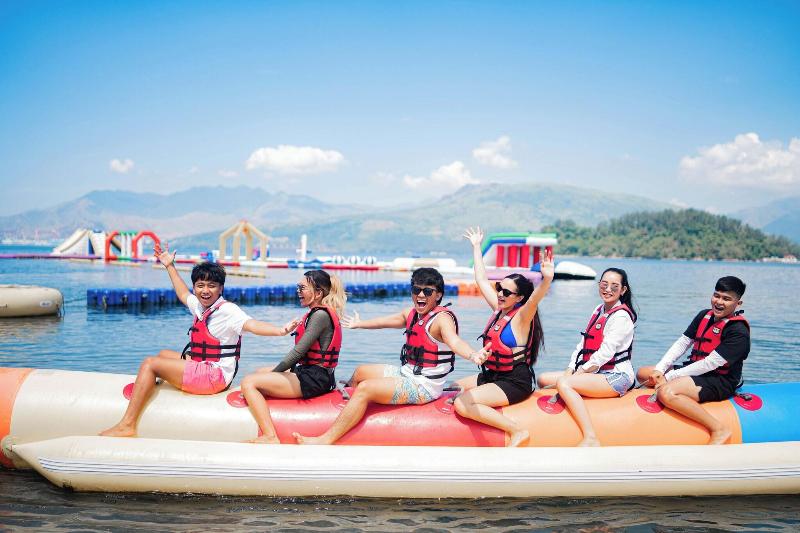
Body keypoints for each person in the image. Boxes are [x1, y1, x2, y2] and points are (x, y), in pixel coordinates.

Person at [100, 243, 297, 438]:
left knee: (151, 364)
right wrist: (169, 265)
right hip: (203, 365)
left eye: (211, 286)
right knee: (163, 355)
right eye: (200, 285)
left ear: (221, 288)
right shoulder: (200, 306)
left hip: (215, 376)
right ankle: (148, 387)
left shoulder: (228, 311)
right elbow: (183, 293)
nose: (205, 290)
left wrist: (280, 331)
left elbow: (252, 324)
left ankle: (127, 424)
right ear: (195, 287)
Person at [293, 267, 484, 445]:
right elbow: (385, 321)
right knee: (361, 372)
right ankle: (344, 408)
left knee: (366, 388)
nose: (420, 295)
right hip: (407, 374)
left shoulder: (441, 320)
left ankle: (325, 439)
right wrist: (360, 324)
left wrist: (473, 355)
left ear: (438, 295)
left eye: (427, 291)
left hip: (424, 387)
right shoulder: (412, 314)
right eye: (416, 290)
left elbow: (455, 341)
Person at [453, 227, 552, 447]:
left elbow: (535, 299)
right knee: (452, 387)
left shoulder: (522, 317)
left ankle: (517, 430)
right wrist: (477, 246)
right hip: (493, 375)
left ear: (519, 298)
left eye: (506, 292)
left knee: (462, 404)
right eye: (499, 288)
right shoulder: (499, 309)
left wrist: (546, 280)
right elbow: (480, 278)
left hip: (515, 382)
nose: (500, 294)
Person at [637, 276, 749, 445]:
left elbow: (710, 363)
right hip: (694, 370)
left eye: (726, 299)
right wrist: (660, 370)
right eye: (716, 295)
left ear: (738, 303)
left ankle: (719, 429)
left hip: (720, 380)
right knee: (643, 373)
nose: (719, 302)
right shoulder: (704, 315)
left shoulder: (738, 331)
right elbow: (682, 343)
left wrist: (670, 377)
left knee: (667, 392)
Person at [240, 270, 346, 444]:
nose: (298, 291)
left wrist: (275, 373)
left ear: (318, 293)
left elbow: (298, 352)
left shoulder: (320, 315)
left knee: (249, 382)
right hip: (312, 373)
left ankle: (270, 436)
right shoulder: (316, 313)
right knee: (259, 372)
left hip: (315, 379)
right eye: (298, 287)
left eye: (302, 288)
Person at [538, 267, 637, 447]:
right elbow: (582, 345)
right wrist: (570, 369)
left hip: (616, 376)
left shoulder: (621, 317)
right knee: (544, 379)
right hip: (594, 373)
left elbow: (604, 354)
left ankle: (591, 437)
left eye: (614, 287)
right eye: (604, 284)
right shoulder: (598, 310)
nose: (608, 290)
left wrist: (577, 374)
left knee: (564, 383)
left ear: (623, 290)